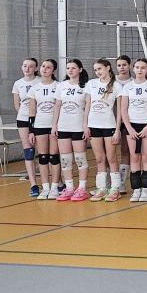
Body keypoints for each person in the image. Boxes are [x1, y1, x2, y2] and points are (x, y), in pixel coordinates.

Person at [119, 58, 147, 202]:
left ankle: (146, 190)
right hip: (132, 126)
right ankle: (136, 190)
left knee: (146, 156)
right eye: (137, 67)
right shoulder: (127, 87)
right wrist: (129, 128)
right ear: (133, 69)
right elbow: (123, 109)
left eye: (143, 67)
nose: (140, 70)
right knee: (134, 157)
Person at [52, 60, 90, 202]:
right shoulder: (62, 85)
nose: (70, 70)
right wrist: (54, 125)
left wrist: (86, 125)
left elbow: (88, 107)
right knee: (65, 159)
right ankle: (69, 188)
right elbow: (57, 106)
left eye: (73, 68)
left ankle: (82, 188)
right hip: (63, 126)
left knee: (80, 158)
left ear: (80, 69)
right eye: (68, 68)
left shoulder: (86, 86)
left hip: (78, 126)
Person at [86, 59, 123, 201]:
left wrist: (117, 130)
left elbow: (119, 111)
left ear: (108, 68)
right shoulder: (91, 84)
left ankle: (115, 189)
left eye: (100, 69)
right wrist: (85, 125)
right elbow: (87, 106)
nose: (97, 72)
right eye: (95, 70)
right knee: (99, 158)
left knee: (111, 158)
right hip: (94, 125)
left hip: (109, 126)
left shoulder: (116, 85)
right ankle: (101, 188)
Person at [28, 60, 58, 200]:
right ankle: (45, 188)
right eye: (43, 66)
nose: (45, 69)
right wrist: (31, 130)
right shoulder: (35, 88)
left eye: (48, 67)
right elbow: (32, 111)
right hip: (40, 125)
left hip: (54, 126)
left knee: (54, 157)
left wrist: (57, 125)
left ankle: (55, 187)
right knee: (43, 157)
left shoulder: (58, 86)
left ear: (53, 70)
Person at [12, 58, 40, 197]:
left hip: (40, 119)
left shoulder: (40, 81)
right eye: (25, 66)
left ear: (36, 68)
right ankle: (33, 184)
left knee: (44, 151)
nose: (27, 69)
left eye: (30, 66)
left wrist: (35, 115)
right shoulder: (18, 83)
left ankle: (54, 183)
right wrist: (26, 115)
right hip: (23, 119)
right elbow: (17, 104)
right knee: (28, 150)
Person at [114, 55, 133, 193]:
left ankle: (121, 183)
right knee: (108, 153)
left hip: (127, 121)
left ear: (129, 66)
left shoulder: (133, 82)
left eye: (124, 65)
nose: (122, 67)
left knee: (126, 151)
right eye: (119, 65)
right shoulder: (111, 81)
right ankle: (108, 182)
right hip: (111, 120)